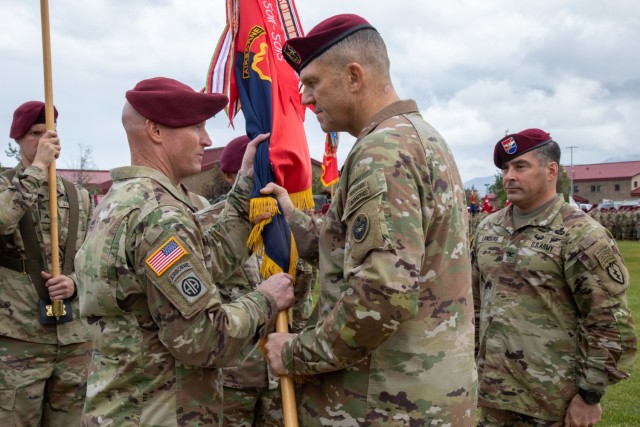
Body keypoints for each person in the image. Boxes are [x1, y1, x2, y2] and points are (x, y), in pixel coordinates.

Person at [262, 14, 477, 426]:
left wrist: (294, 353)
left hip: (384, 401)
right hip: (427, 393)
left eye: (312, 83)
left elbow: (382, 295)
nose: (305, 99)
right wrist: (291, 217)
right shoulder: (421, 136)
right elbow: (356, 251)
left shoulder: (381, 151)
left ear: (354, 76)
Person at [74, 77, 294, 426]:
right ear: (156, 131)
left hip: (126, 408)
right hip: (160, 411)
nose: (207, 140)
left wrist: (242, 193)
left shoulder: (120, 202)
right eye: (196, 127)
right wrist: (265, 300)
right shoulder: (160, 215)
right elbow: (203, 339)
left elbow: (207, 263)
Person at [472, 128, 637, 426]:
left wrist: (589, 394)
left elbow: (609, 322)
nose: (508, 176)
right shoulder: (488, 229)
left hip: (552, 402)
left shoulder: (581, 234)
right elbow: (474, 307)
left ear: (551, 171)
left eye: (520, 166)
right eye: (505, 168)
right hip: (492, 396)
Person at [0, 101, 93, 425]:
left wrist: (75, 283)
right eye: (36, 134)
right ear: (17, 140)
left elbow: (94, 258)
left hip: (73, 339)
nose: (45, 140)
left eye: (49, 133)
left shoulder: (77, 194)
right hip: (19, 338)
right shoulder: (4, 186)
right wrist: (37, 168)